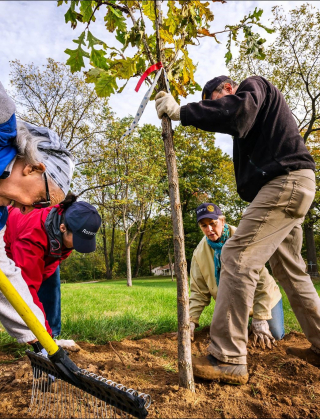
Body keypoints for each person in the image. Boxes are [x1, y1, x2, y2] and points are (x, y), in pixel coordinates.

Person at [155, 75, 319, 384]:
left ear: (227, 90)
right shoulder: (259, 126)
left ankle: (227, 358)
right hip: (290, 186)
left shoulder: (252, 87)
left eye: (212, 102)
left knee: (237, 255)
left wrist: (183, 112)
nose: (215, 109)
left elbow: (237, 112)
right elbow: (238, 121)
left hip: (284, 183)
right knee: (291, 271)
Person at [0, 81, 74, 349]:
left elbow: (5, 278)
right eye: (41, 201)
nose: (24, 210)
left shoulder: (1, 215)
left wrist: (42, 342)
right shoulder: (2, 117)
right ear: (33, 168)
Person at [4, 195, 102, 350]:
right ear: (63, 228)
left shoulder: (63, 225)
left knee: (52, 286)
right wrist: (44, 338)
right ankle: (44, 339)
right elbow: (26, 289)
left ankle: (51, 337)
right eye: (77, 240)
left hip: (44, 251)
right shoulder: (31, 238)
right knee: (23, 293)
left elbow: (56, 259)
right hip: (10, 245)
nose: (78, 246)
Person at [190, 202, 284, 349]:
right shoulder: (199, 254)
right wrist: (191, 320)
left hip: (264, 298)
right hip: (231, 304)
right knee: (224, 339)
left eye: (213, 223)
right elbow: (198, 292)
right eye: (204, 225)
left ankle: (255, 323)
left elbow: (262, 283)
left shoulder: (244, 240)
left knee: (275, 335)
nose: (209, 229)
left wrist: (260, 318)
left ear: (222, 221)